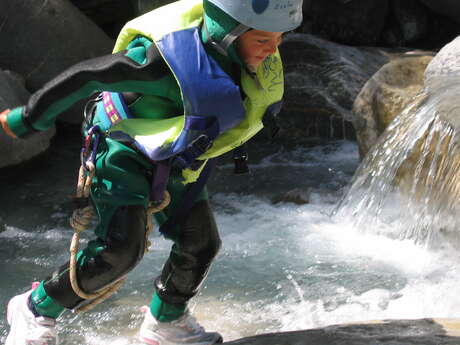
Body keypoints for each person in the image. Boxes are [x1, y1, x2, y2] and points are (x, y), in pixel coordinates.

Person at [0, 0, 303, 344]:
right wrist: (28, 118)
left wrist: (265, 41)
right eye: (263, 40)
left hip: (179, 157)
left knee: (200, 244)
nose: (273, 49)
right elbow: (87, 76)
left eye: (279, 39)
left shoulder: (245, 58)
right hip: (123, 149)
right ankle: (33, 308)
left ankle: (166, 323)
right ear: (229, 32)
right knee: (120, 252)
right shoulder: (160, 64)